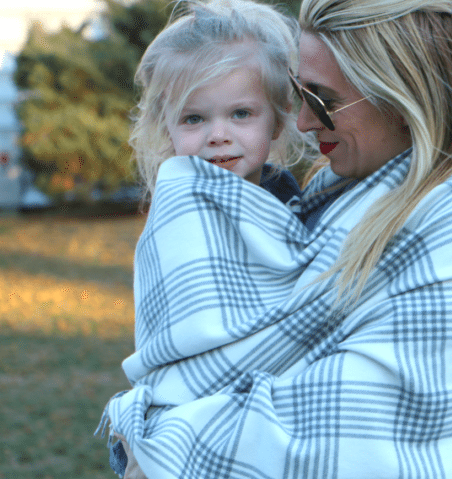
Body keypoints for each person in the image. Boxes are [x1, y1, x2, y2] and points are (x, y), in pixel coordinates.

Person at [100, 0, 452, 477]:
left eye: (323, 100)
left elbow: (355, 419)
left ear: (397, 92)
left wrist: (166, 443)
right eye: (301, 96)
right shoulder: (336, 189)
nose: (302, 123)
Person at [96, 0, 311, 476]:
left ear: (277, 119)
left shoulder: (292, 202)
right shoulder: (183, 206)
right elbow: (184, 322)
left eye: (240, 113)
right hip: (187, 418)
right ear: (167, 128)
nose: (218, 135)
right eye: (194, 119)